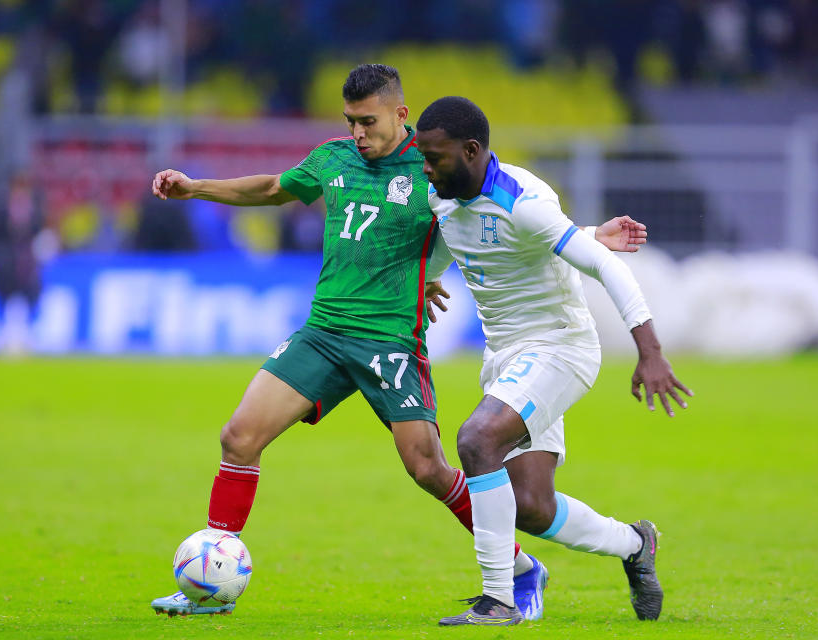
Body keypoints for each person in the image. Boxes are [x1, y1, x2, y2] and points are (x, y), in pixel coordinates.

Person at [148, 64, 645, 619]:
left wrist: (585, 235)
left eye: (368, 122)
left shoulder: (435, 170)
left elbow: (500, 216)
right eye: (351, 122)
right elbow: (271, 188)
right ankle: (210, 575)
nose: (359, 133)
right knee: (238, 437)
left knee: (429, 469)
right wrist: (195, 188)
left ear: (399, 114)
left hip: (391, 344)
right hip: (324, 333)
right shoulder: (334, 158)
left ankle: (522, 567)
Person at [414, 96, 693, 626]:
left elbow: (607, 268)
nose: (426, 168)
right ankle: (635, 543)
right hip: (506, 356)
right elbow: (459, 240)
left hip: (559, 346)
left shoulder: (522, 201)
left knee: (476, 440)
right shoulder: (443, 195)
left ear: (472, 151)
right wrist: (430, 277)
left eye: (436, 156)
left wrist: (650, 353)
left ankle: (498, 599)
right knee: (531, 505)